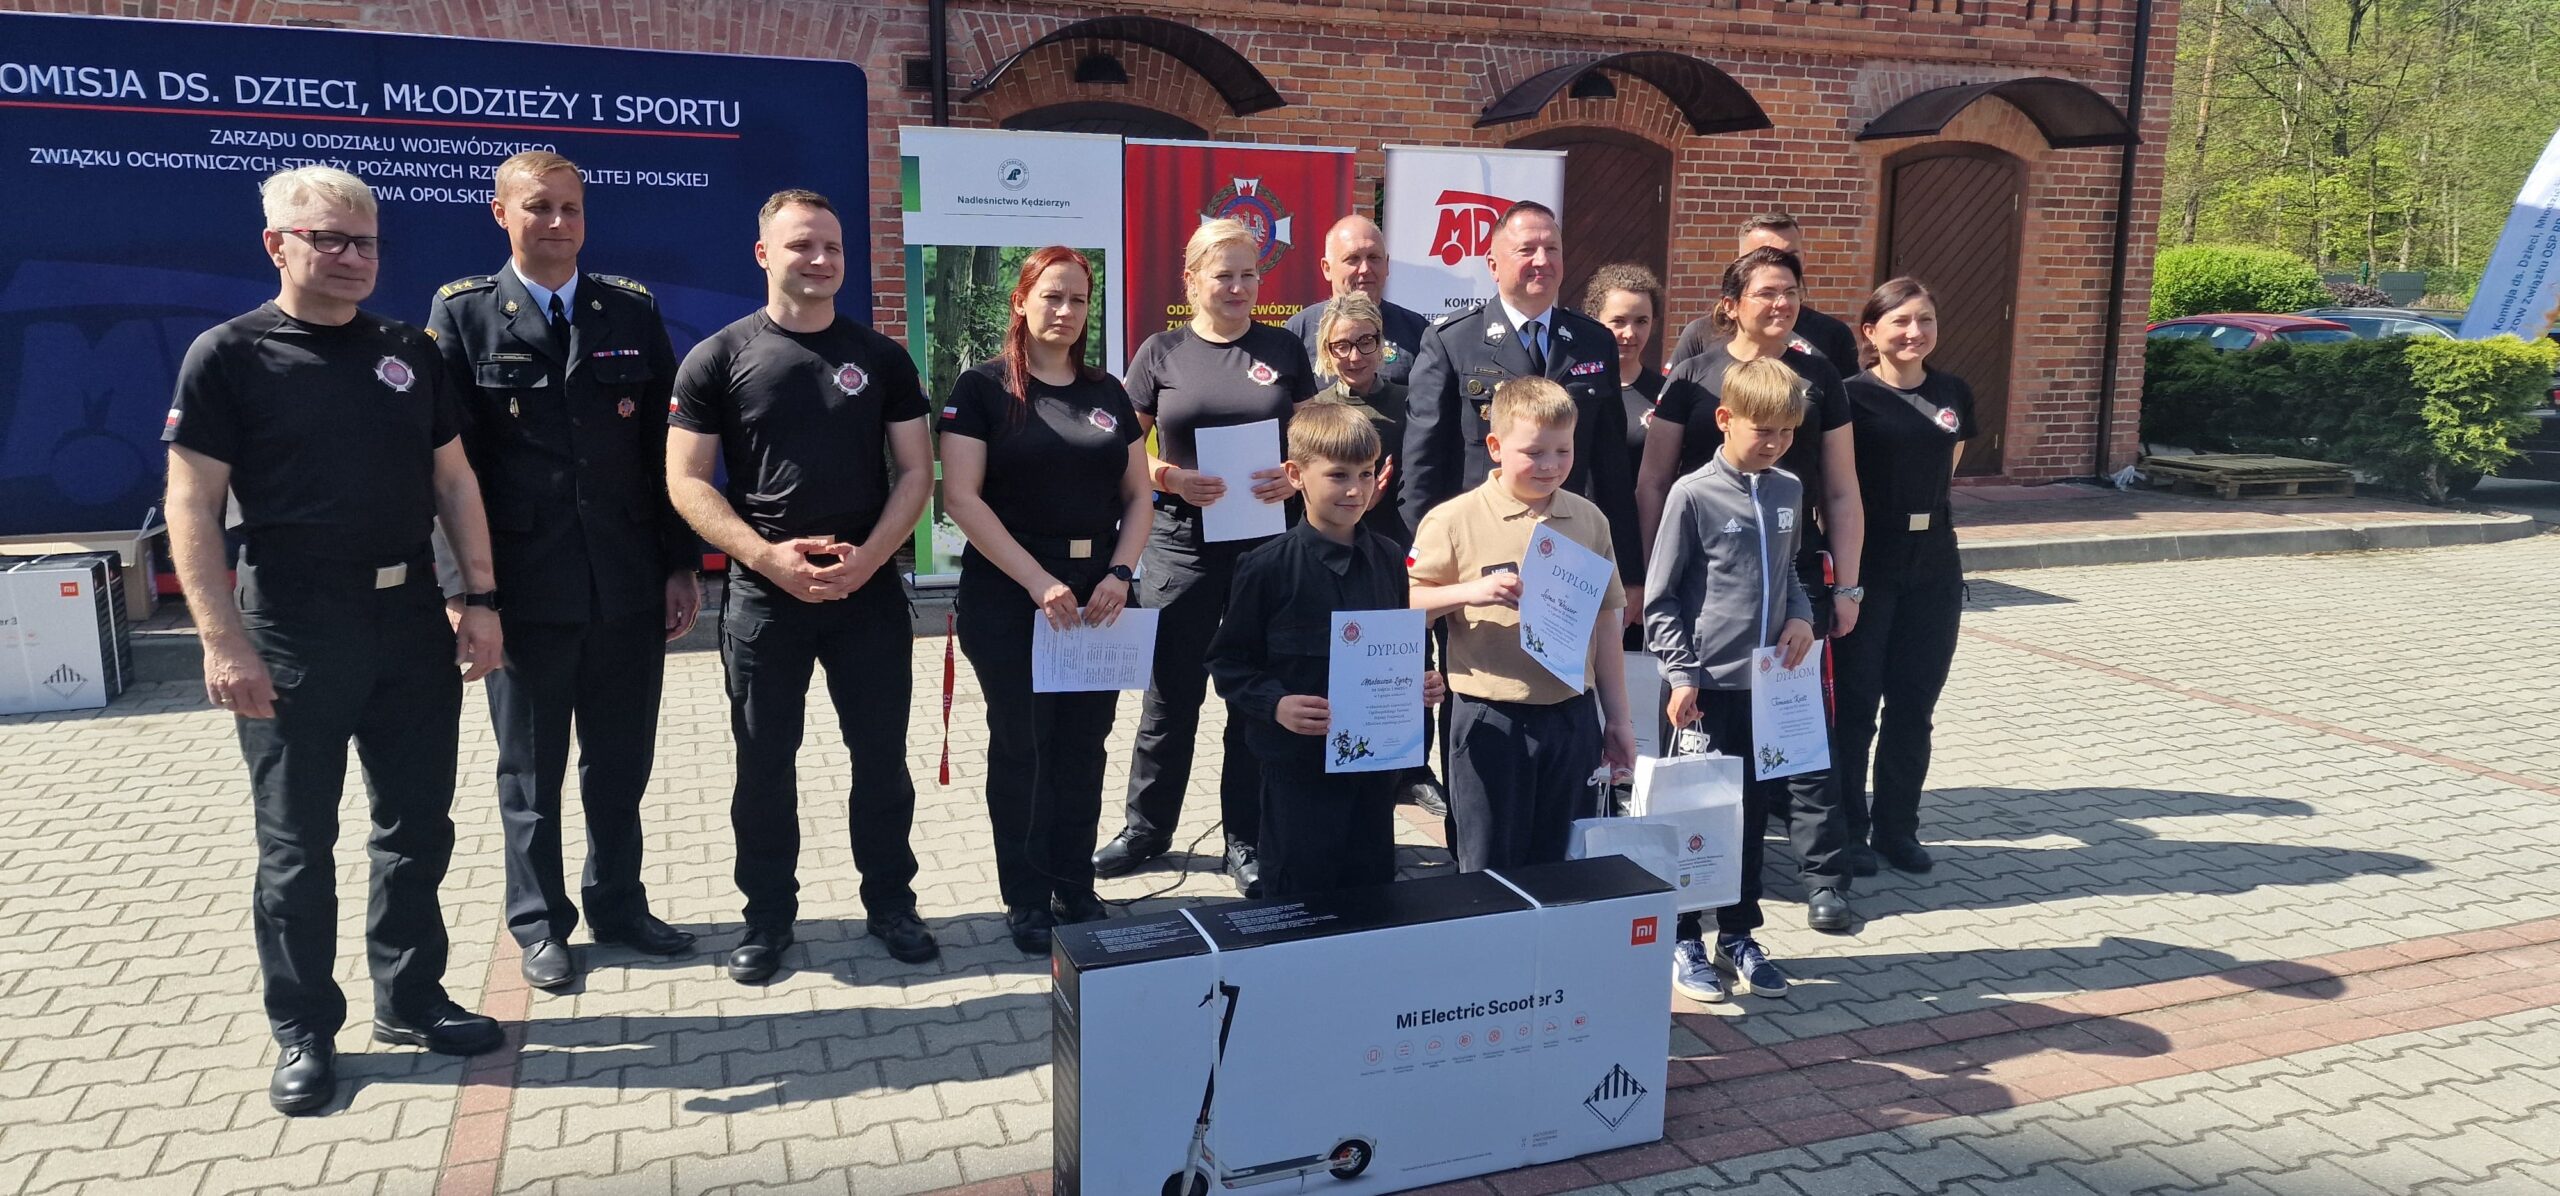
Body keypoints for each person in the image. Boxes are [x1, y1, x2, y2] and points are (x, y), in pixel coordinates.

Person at [165, 166, 506, 1116]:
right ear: (277, 244)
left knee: (417, 826)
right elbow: (190, 503)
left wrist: (479, 597)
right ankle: (304, 1028)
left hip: (409, 622)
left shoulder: (407, 350)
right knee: (296, 844)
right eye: (329, 240)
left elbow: (454, 481)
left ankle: (411, 997)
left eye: (367, 242)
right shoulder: (229, 355)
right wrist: (222, 641)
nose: (354, 258)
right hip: (291, 627)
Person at [424, 151, 700, 993]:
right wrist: (467, 593)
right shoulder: (464, 314)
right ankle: (540, 921)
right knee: (531, 772)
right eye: (538, 207)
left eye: (571, 208)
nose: (557, 223)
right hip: (522, 589)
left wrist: (681, 565)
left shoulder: (629, 309)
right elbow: (445, 469)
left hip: (625, 582)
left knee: (621, 762)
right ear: (500, 214)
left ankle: (619, 903)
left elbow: (665, 452)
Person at [666, 189, 937, 984]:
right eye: (801, 246)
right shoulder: (718, 357)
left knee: (881, 760)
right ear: (763, 255)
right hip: (765, 599)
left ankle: (891, 903)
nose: (820, 260)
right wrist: (766, 557)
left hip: (868, 595)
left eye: (832, 247)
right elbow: (686, 481)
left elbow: (916, 471)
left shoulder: (881, 358)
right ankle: (767, 918)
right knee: (763, 766)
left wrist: (872, 557)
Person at [1093, 218, 1318, 896]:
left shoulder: (1283, 348)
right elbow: (1121, 452)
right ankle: (1146, 829)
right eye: (1224, 275)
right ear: (1191, 281)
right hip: (1181, 548)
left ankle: (1244, 837)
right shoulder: (1160, 353)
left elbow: (1316, 437)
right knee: (1171, 695)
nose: (1239, 287)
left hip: (1267, 550)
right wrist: (1170, 477)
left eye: (1249, 274)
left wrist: (1296, 476)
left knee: (1253, 698)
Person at [938, 246, 1151, 954]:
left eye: (1078, 299)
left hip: (1100, 598)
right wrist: (1037, 581)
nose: (1065, 311)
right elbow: (961, 497)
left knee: (1084, 745)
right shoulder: (983, 388)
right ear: (1021, 301)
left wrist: (1120, 573)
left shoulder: (1108, 391)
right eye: (1051, 296)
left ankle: (1074, 882)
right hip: (1012, 597)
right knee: (1023, 747)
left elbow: (1139, 497)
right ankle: (1027, 897)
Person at [1640, 250, 1872, 864]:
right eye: (1767, 291)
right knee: (1713, 761)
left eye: (1791, 291)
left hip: (1788, 576)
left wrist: (1843, 589)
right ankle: (1710, 884)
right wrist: (1652, 582)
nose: (1782, 303)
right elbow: (1654, 482)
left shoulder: (1818, 374)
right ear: (1731, 304)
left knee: (1800, 739)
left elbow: (1842, 489)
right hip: (1707, 591)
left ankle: (1821, 873)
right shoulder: (1694, 373)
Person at [1643, 359, 1854, 1004]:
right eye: (1764, 430)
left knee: (1751, 815)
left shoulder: (1788, 489)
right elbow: (1661, 598)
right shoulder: (1692, 494)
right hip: (1700, 691)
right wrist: (1682, 674)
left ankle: (1738, 933)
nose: (1777, 443)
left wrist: (1802, 617)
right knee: (1692, 816)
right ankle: (1683, 935)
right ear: (1724, 419)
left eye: (1788, 432)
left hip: (1766, 688)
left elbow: (1787, 571)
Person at [1208, 402, 1447, 899]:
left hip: (1374, 768)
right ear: (1296, 475)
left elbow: (1401, 641)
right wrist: (1276, 704)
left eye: (1366, 474)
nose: (1356, 490)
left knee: (1372, 892)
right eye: (1338, 475)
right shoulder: (1266, 567)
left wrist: (1421, 680)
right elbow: (1228, 662)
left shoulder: (1388, 558)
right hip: (1298, 770)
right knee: (1299, 895)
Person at [1408, 377, 1637, 871]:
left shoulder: (1589, 520)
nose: (1550, 465)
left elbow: (1605, 625)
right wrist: (1468, 592)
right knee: (1490, 867)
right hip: (1492, 717)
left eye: (1563, 450)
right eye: (1533, 452)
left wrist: (1617, 719)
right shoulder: (1454, 520)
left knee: (1562, 867)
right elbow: (1405, 606)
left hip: (1572, 716)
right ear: (1494, 446)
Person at [1399, 202, 1644, 601]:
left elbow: (1612, 466)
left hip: (1567, 550)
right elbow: (1422, 466)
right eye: (1527, 250)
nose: (1542, 261)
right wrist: (1422, 565)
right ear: (1493, 265)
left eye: (1552, 249)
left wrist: (1629, 572)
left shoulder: (1593, 341)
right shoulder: (1453, 341)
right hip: (1477, 550)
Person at [1833, 278, 1975, 876]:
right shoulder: (1849, 396)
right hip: (1871, 561)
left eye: (1925, 320)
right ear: (1871, 331)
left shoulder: (1953, 391)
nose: (1915, 332)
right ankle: (1848, 832)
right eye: (1900, 321)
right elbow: (1836, 487)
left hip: (1935, 564)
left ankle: (1898, 829)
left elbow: (1948, 468)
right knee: (1857, 706)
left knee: (1914, 706)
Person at [1310, 292, 1450, 818]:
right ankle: (1348, 763)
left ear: (1382, 344)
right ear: (1326, 350)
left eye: (1365, 342)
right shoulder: (1317, 410)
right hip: (1338, 554)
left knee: (1412, 659)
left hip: (1400, 551)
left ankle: (1413, 770)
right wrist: (1357, 502)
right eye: (1341, 345)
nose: (1354, 355)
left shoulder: (1410, 401)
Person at [1668, 210, 1861, 372]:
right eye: (1764, 256)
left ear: (1804, 259)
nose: (1779, 266)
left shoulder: (1832, 336)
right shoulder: (1701, 334)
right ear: (1740, 264)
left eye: (1790, 257)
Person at [1284, 214, 1428, 387]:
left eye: (1373, 257)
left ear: (1387, 264)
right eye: (1352, 259)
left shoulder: (1417, 330)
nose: (1365, 269)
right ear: (1327, 268)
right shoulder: (1299, 330)